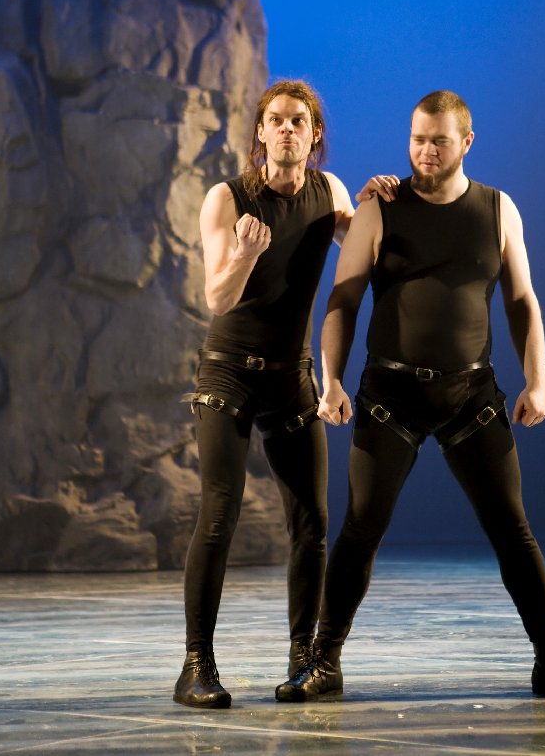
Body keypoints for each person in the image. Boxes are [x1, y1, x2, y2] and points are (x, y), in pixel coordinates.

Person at [276, 89, 545, 703]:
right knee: (360, 529)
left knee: (512, 529)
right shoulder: (380, 207)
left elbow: (522, 301)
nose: (425, 151)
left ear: (466, 142)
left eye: (439, 141)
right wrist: (332, 380)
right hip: (389, 395)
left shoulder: (498, 209)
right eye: (417, 139)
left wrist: (537, 383)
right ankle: (323, 663)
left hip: (470, 394)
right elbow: (342, 300)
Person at [173, 78, 399, 709]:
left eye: (299, 120)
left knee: (312, 523)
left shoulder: (329, 192)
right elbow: (217, 298)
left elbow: (366, 250)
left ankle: (306, 660)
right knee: (219, 515)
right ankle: (196, 667)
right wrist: (245, 253)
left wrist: (379, 204)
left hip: (290, 374)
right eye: (276, 120)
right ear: (261, 131)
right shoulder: (228, 198)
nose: (287, 129)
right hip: (228, 373)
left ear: (314, 133)